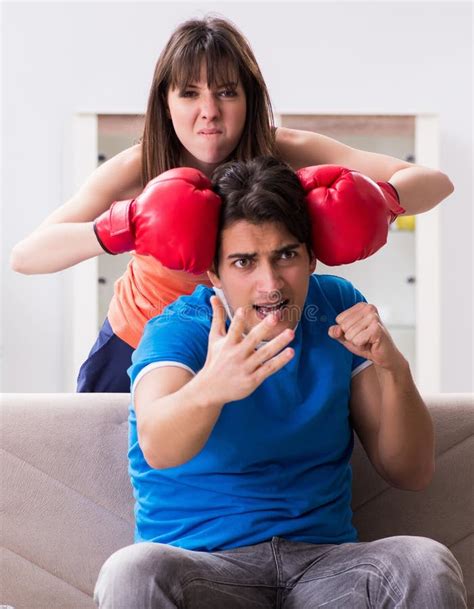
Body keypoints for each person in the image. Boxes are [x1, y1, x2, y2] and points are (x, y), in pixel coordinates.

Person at [93, 156, 466, 608]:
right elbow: (158, 443)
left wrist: (395, 368)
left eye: (285, 255)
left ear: (311, 257)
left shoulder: (336, 307)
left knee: (425, 561)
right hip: (205, 566)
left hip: (325, 567)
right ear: (214, 273)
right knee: (131, 572)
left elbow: (410, 471)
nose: (270, 284)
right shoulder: (182, 327)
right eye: (244, 262)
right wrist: (214, 386)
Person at [10, 15, 454, 393]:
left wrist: (380, 200)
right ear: (165, 103)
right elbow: (26, 256)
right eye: (189, 93)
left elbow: (435, 183)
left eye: (225, 91)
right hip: (139, 346)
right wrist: (124, 224)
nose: (209, 111)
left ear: (249, 98)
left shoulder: (287, 149)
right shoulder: (137, 169)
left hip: (254, 344)